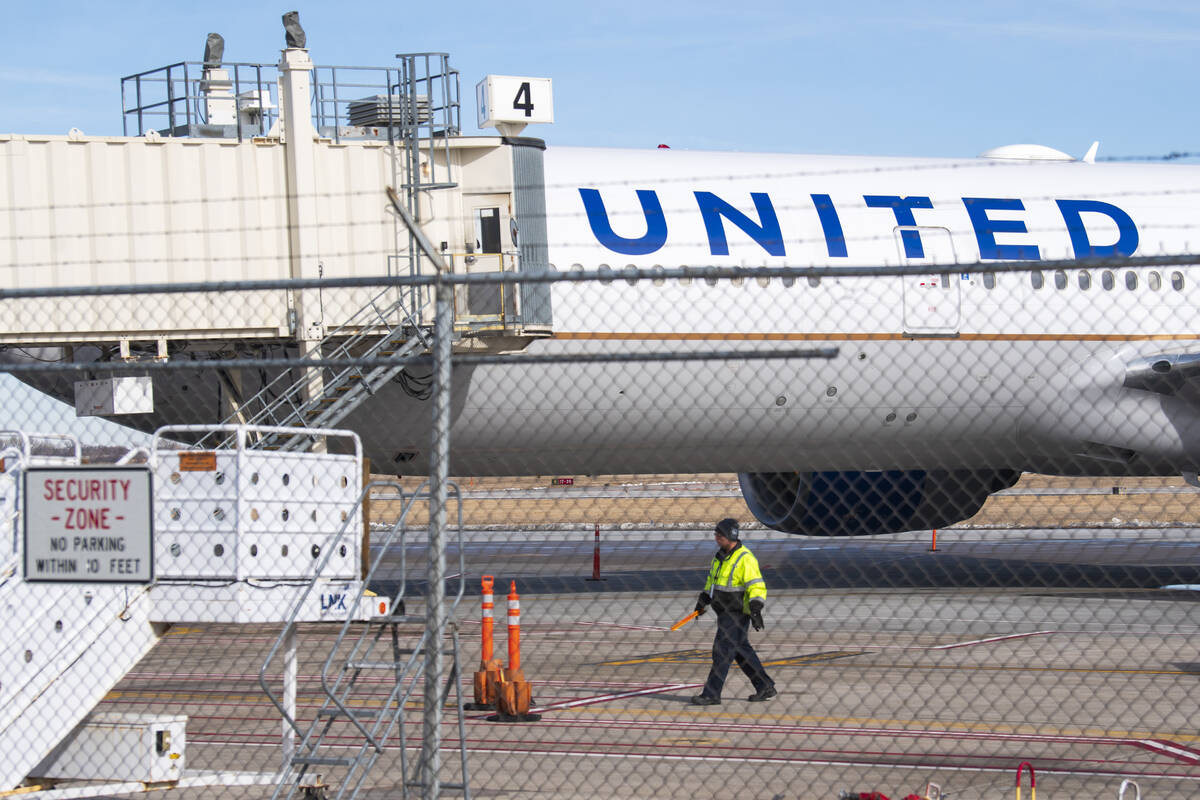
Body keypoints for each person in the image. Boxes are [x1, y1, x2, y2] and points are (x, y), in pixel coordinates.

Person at [689, 518, 776, 705]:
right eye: (716, 534)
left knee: (721, 651)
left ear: (730, 536)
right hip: (723, 611)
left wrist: (755, 609)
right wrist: (703, 600)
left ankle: (711, 694)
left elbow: (756, 586)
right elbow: (712, 582)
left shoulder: (745, 558)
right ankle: (765, 686)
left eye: (719, 535)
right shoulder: (719, 557)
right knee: (740, 651)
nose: (716, 538)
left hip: (737, 613)